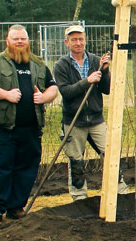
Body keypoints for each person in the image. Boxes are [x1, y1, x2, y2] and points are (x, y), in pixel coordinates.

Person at [0, 25, 59, 224]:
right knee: (1, 167)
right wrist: (6, 94)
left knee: (27, 168)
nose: (19, 42)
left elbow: (53, 87)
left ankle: (16, 207)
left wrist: (44, 97)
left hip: (31, 128)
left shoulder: (38, 63)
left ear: (28, 40)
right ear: (7, 40)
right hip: (4, 127)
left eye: (23, 38)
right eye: (15, 38)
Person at [53, 25, 123, 200]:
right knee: (76, 160)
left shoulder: (94, 61)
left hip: (96, 118)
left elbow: (106, 89)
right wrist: (87, 81)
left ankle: (119, 192)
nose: (78, 43)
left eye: (81, 39)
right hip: (74, 120)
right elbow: (66, 92)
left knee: (110, 155)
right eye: (74, 40)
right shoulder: (61, 65)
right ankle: (79, 197)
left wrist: (105, 70)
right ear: (67, 42)